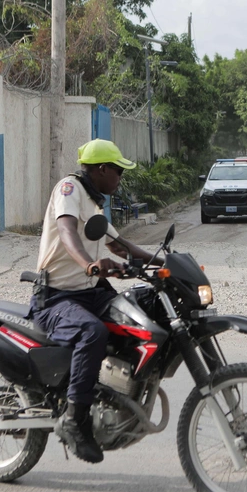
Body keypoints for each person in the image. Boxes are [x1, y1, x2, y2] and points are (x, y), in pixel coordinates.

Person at [30, 139, 159, 464]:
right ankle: (75, 418)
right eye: (118, 171)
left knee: (137, 317)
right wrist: (89, 264)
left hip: (89, 294)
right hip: (56, 298)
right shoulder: (69, 190)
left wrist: (164, 262)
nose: (120, 178)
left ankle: (115, 393)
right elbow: (67, 233)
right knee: (92, 333)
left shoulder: (95, 204)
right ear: (101, 169)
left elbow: (118, 245)